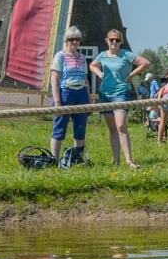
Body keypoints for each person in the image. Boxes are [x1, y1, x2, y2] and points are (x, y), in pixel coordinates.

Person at [90, 29, 149, 168]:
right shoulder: (102, 55)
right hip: (105, 94)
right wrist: (99, 73)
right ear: (107, 41)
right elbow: (92, 65)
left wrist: (131, 75)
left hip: (121, 93)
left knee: (121, 125)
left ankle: (129, 160)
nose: (114, 42)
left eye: (117, 40)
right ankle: (116, 160)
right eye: (111, 39)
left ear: (121, 41)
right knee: (112, 128)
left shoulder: (126, 54)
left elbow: (145, 63)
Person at [49, 26, 91, 160]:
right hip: (66, 92)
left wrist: (89, 98)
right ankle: (54, 158)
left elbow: (85, 79)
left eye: (77, 39)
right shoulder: (60, 56)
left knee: (80, 127)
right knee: (59, 126)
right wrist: (57, 101)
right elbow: (54, 80)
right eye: (72, 39)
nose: (75, 42)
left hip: (81, 92)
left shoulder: (82, 57)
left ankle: (77, 158)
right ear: (66, 40)